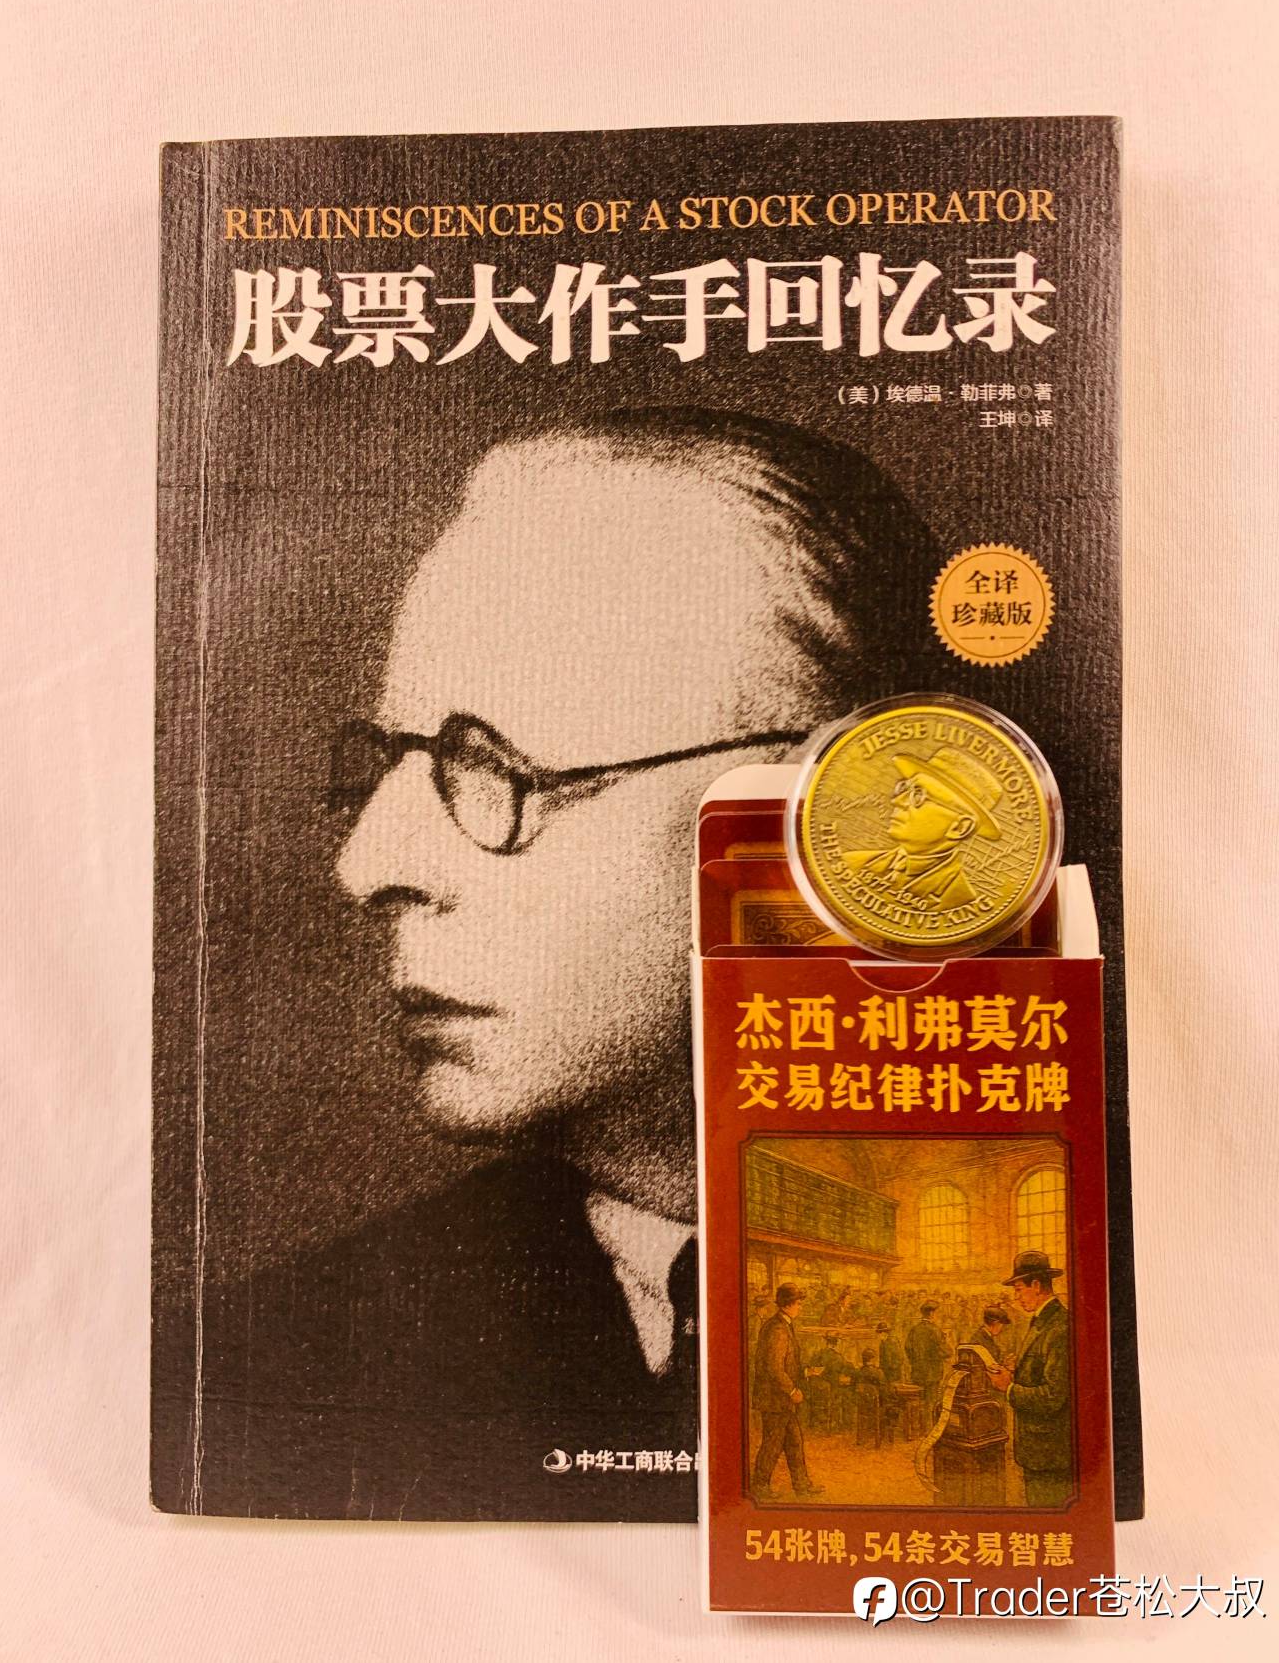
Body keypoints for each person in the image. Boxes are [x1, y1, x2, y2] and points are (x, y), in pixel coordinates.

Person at [155, 407, 929, 1522]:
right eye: (391, 765)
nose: (368, 865)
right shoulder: (263, 1365)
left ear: (826, 812)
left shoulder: (1135, 1310)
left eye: (495, 768)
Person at [844, 745, 1005, 911]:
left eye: (918, 795)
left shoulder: (961, 902)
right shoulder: (851, 862)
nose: (897, 801)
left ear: (959, 827)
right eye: (904, 788)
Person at [989, 1251, 1074, 1506]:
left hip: (1048, 1451)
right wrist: (1018, 1369)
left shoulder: (1058, 1327)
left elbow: (1053, 1396)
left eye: (1018, 1290)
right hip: (1039, 1448)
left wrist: (1009, 1388)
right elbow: (1042, 1370)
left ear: (1036, 1285)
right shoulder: (1042, 1321)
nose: (1016, 1297)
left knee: (1048, 1510)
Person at [753, 1285, 823, 1498]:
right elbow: (774, 1367)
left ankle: (802, 1485)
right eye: (798, 1303)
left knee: (794, 1442)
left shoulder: (784, 1325)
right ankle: (760, 1486)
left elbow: (787, 1364)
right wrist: (792, 1390)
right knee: (772, 1443)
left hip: (781, 1400)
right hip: (775, 1399)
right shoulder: (777, 1329)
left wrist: (806, 1372)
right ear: (787, 1304)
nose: (800, 1307)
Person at [905, 1300, 948, 1422]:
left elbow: (908, 1348)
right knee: (931, 1402)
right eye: (937, 1313)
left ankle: (919, 1425)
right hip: (932, 1374)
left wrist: (915, 1362)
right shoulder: (935, 1330)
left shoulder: (914, 1329)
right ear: (931, 1314)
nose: (938, 1316)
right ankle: (929, 1427)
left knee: (920, 1400)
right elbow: (946, 1352)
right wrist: (945, 1341)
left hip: (918, 1372)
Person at [805, 1332, 854, 1430]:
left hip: (816, 1389)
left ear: (827, 1343)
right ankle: (839, 1423)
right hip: (832, 1389)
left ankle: (815, 1422)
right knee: (845, 1395)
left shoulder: (818, 1354)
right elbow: (847, 1367)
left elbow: (810, 1367)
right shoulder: (837, 1357)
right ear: (835, 1344)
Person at [876, 1319, 905, 1383]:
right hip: (886, 1373)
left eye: (879, 1333)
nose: (878, 1335)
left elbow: (900, 1357)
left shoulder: (893, 1341)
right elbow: (882, 1359)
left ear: (883, 1333)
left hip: (893, 1373)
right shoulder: (882, 1343)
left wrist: (892, 1367)